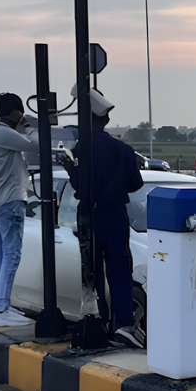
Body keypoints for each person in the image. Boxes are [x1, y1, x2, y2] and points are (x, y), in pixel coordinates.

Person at [61, 89, 144, 345]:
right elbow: (136, 184)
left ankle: (100, 321)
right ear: (106, 121)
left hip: (91, 214)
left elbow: (82, 186)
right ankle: (124, 324)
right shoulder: (125, 150)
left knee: (93, 272)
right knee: (120, 271)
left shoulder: (83, 149)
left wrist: (70, 169)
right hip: (117, 215)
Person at [0, 93, 41, 328]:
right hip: (10, 201)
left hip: (0, 200)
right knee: (12, 255)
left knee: (2, 255)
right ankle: (0, 310)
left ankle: (1, 306)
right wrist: (29, 127)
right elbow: (36, 145)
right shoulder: (3, 132)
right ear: (15, 112)